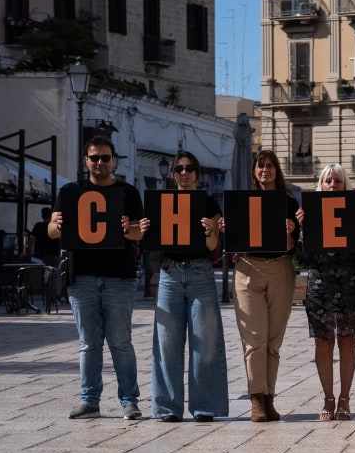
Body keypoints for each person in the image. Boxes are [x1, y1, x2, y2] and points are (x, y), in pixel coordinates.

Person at [48, 134, 148, 420]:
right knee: (88, 343)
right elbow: (53, 232)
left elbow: (138, 234)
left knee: (120, 341)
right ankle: (89, 399)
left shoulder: (128, 193)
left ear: (113, 159)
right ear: (86, 160)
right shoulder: (69, 192)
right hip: (82, 278)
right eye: (95, 158)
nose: (100, 163)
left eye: (105, 157)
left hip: (120, 276)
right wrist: (56, 224)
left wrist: (125, 228)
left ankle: (129, 400)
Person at [150, 150, 227, 423]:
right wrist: (146, 228)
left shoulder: (207, 203)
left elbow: (212, 246)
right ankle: (168, 408)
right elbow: (152, 241)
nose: (184, 173)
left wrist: (210, 231)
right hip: (170, 272)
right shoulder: (161, 202)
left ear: (197, 173)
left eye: (189, 168)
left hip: (200, 272)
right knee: (166, 343)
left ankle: (204, 406)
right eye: (179, 168)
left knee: (204, 342)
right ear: (173, 174)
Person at [297, 162, 355, 421]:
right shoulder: (310, 212)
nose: (332, 185)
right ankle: (328, 398)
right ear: (321, 185)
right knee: (323, 342)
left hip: (349, 282)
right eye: (328, 181)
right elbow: (303, 256)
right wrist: (303, 229)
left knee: (347, 341)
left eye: (337, 181)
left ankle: (345, 399)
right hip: (320, 283)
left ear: (344, 185)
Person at [232, 148, 299, 422]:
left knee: (274, 342)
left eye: (270, 165)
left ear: (277, 171)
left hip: (280, 268)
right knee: (253, 340)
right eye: (260, 166)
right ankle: (256, 399)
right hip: (248, 269)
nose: (265, 170)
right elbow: (233, 243)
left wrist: (290, 233)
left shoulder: (290, 203)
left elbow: (294, 248)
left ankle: (269, 398)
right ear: (254, 171)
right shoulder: (242, 201)